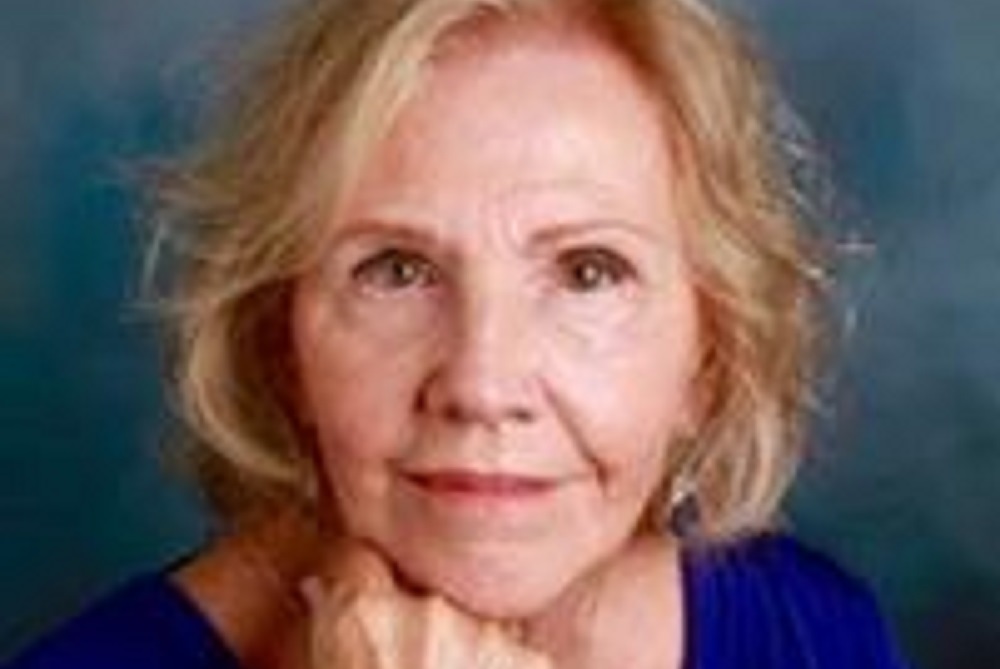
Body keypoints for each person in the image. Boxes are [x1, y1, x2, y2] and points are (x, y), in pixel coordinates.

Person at [7, 0, 913, 667]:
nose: (482, 383)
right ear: (281, 341)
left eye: (587, 272)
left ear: (707, 359)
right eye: (397, 270)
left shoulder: (814, 632)